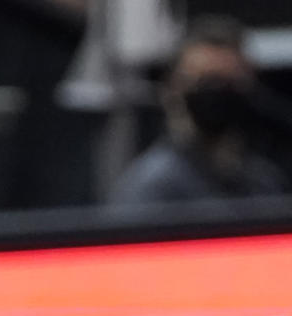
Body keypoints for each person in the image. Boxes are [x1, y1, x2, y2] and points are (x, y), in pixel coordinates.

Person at [110, 14, 289, 206]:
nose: (218, 92)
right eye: (205, 82)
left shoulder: (264, 182)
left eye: (230, 83)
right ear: (173, 89)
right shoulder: (152, 189)